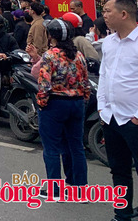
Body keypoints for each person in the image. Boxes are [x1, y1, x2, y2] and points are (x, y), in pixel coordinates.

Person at [36, 18, 90, 193]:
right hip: (77, 103)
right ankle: (79, 185)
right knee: (76, 147)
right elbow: (85, 82)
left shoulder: (50, 55)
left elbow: (44, 85)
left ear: (51, 35)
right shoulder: (79, 55)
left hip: (56, 104)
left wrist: (42, 104)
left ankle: (54, 188)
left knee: (52, 148)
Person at [98, 0, 138, 221]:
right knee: (119, 169)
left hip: (133, 119)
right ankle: (122, 214)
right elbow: (104, 76)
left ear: (124, 14)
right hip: (112, 118)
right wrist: (103, 109)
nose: (104, 15)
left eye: (107, 10)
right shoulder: (109, 42)